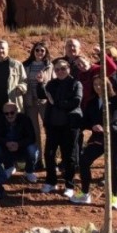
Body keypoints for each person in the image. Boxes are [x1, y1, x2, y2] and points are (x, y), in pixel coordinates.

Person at [70, 76, 117, 209]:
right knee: (84, 161)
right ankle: (85, 193)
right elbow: (86, 121)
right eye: (95, 85)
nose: (98, 87)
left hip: (115, 138)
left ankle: (114, 198)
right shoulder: (92, 103)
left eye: (101, 84)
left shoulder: (116, 100)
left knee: (113, 167)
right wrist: (93, 126)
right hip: (98, 139)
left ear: (108, 85)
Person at [36, 58, 82, 196]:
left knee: (69, 156)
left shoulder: (75, 83)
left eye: (63, 68)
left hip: (69, 126)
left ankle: (69, 185)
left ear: (68, 69)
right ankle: (51, 182)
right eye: (57, 69)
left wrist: (57, 103)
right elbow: (42, 95)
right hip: (52, 125)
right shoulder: (51, 83)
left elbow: (76, 101)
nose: (60, 71)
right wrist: (39, 84)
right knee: (49, 155)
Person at [0, 102, 39, 182]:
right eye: (6, 113)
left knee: (32, 149)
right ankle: (9, 167)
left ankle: (29, 171)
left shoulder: (25, 119)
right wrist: (6, 143)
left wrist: (19, 144)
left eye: (12, 112)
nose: (9, 115)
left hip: (22, 149)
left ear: (16, 111)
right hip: (7, 148)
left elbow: (32, 138)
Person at [22, 41, 52, 165]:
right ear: (33, 51)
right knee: (34, 131)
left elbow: (53, 82)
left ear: (45, 53)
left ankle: (50, 158)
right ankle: (38, 159)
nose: (39, 52)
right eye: (37, 50)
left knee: (48, 130)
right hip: (30, 102)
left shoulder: (49, 66)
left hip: (44, 102)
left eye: (42, 50)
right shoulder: (26, 65)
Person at [0, 40, 28, 122]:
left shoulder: (16, 64)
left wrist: (21, 88)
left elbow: (24, 81)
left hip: (13, 103)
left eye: (2, 48)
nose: (0, 50)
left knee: (15, 130)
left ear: (7, 49)